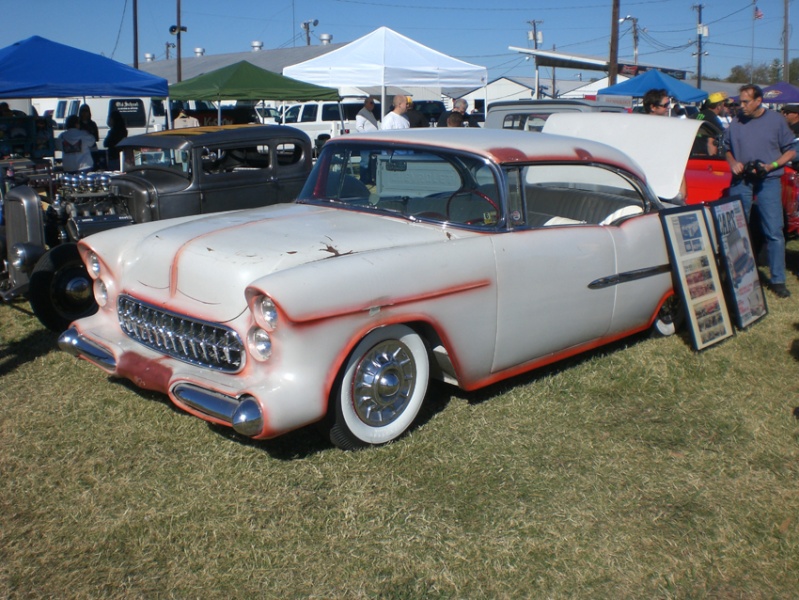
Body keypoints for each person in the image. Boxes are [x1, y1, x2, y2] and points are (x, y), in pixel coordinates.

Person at [722, 84, 797, 298]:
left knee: (774, 230)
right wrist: (733, 162)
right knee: (737, 230)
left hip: (769, 181)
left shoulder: (776, 121)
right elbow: (726, 149)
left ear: (758, 101)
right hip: (742, 180)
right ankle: (738, 275)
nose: (741, 106)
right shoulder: (736, 122)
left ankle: (778, 279)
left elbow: (790, 150)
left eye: (746, 102)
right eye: (740, 102)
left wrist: (771, 166)